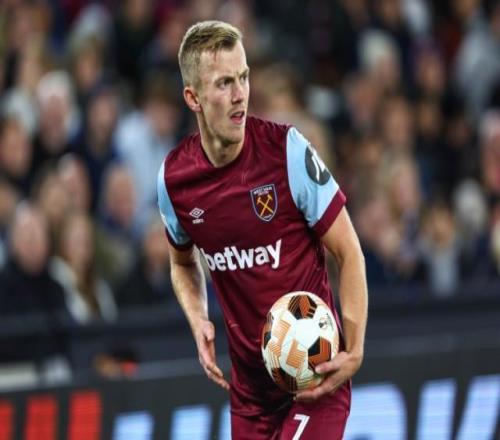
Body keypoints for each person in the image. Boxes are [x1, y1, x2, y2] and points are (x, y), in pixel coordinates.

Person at [157, 21, 368, 439]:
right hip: (251, 399)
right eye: (224, 83)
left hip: (316, 379)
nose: (240, 95)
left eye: (244, 77)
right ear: (192, 98)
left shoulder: (287, 152)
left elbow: (349, 250)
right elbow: (181, 262)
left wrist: (356, 348)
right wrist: (198, 317)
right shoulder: (174, 181)